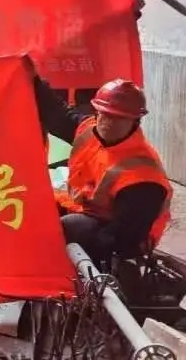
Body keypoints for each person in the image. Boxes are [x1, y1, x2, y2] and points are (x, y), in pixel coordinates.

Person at [30, 67, 171, 264]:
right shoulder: (89, 131)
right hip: (88, 211)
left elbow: (122, 236)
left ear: (135, 121)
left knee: (66, 228)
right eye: (105, 114)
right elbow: (57, 114)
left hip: (124, 235)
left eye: (119, 118)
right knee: (33, 204)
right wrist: (32, 79)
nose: (108, 122)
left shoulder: (143, 176)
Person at [31, 0, 145, 112]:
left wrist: (131, 8)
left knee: (87, 118)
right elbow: (20, 25)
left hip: (86, 69)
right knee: (46, 116)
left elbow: (114, 20)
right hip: (50, 68)